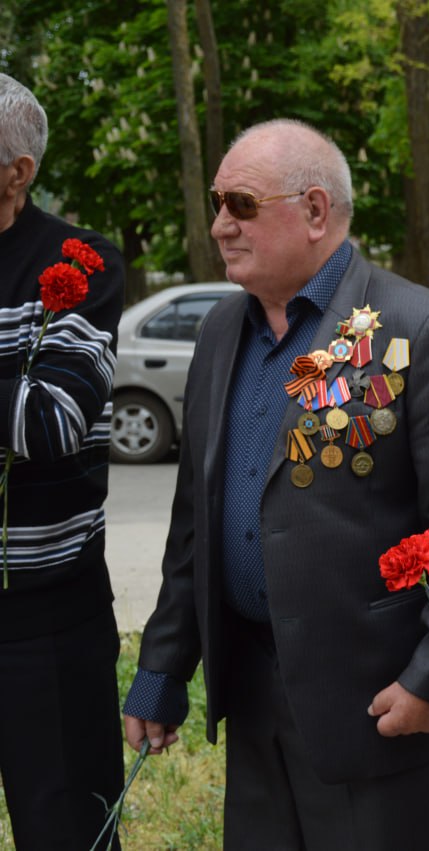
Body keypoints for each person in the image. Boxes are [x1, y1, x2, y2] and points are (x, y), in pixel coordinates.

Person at [122, 118, 429, 848]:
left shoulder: (419, 327)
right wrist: (163, 670)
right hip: (253, 694)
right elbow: (195, 521)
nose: (220, 225)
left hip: (375, 705)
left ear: (315, 211)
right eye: (217, 203)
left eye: (241, 204)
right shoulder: (220, 332)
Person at [0, 73, 126, 850]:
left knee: (66, 830)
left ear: (18, 171)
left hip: (45, 623)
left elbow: (49, 420)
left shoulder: (81, 263)